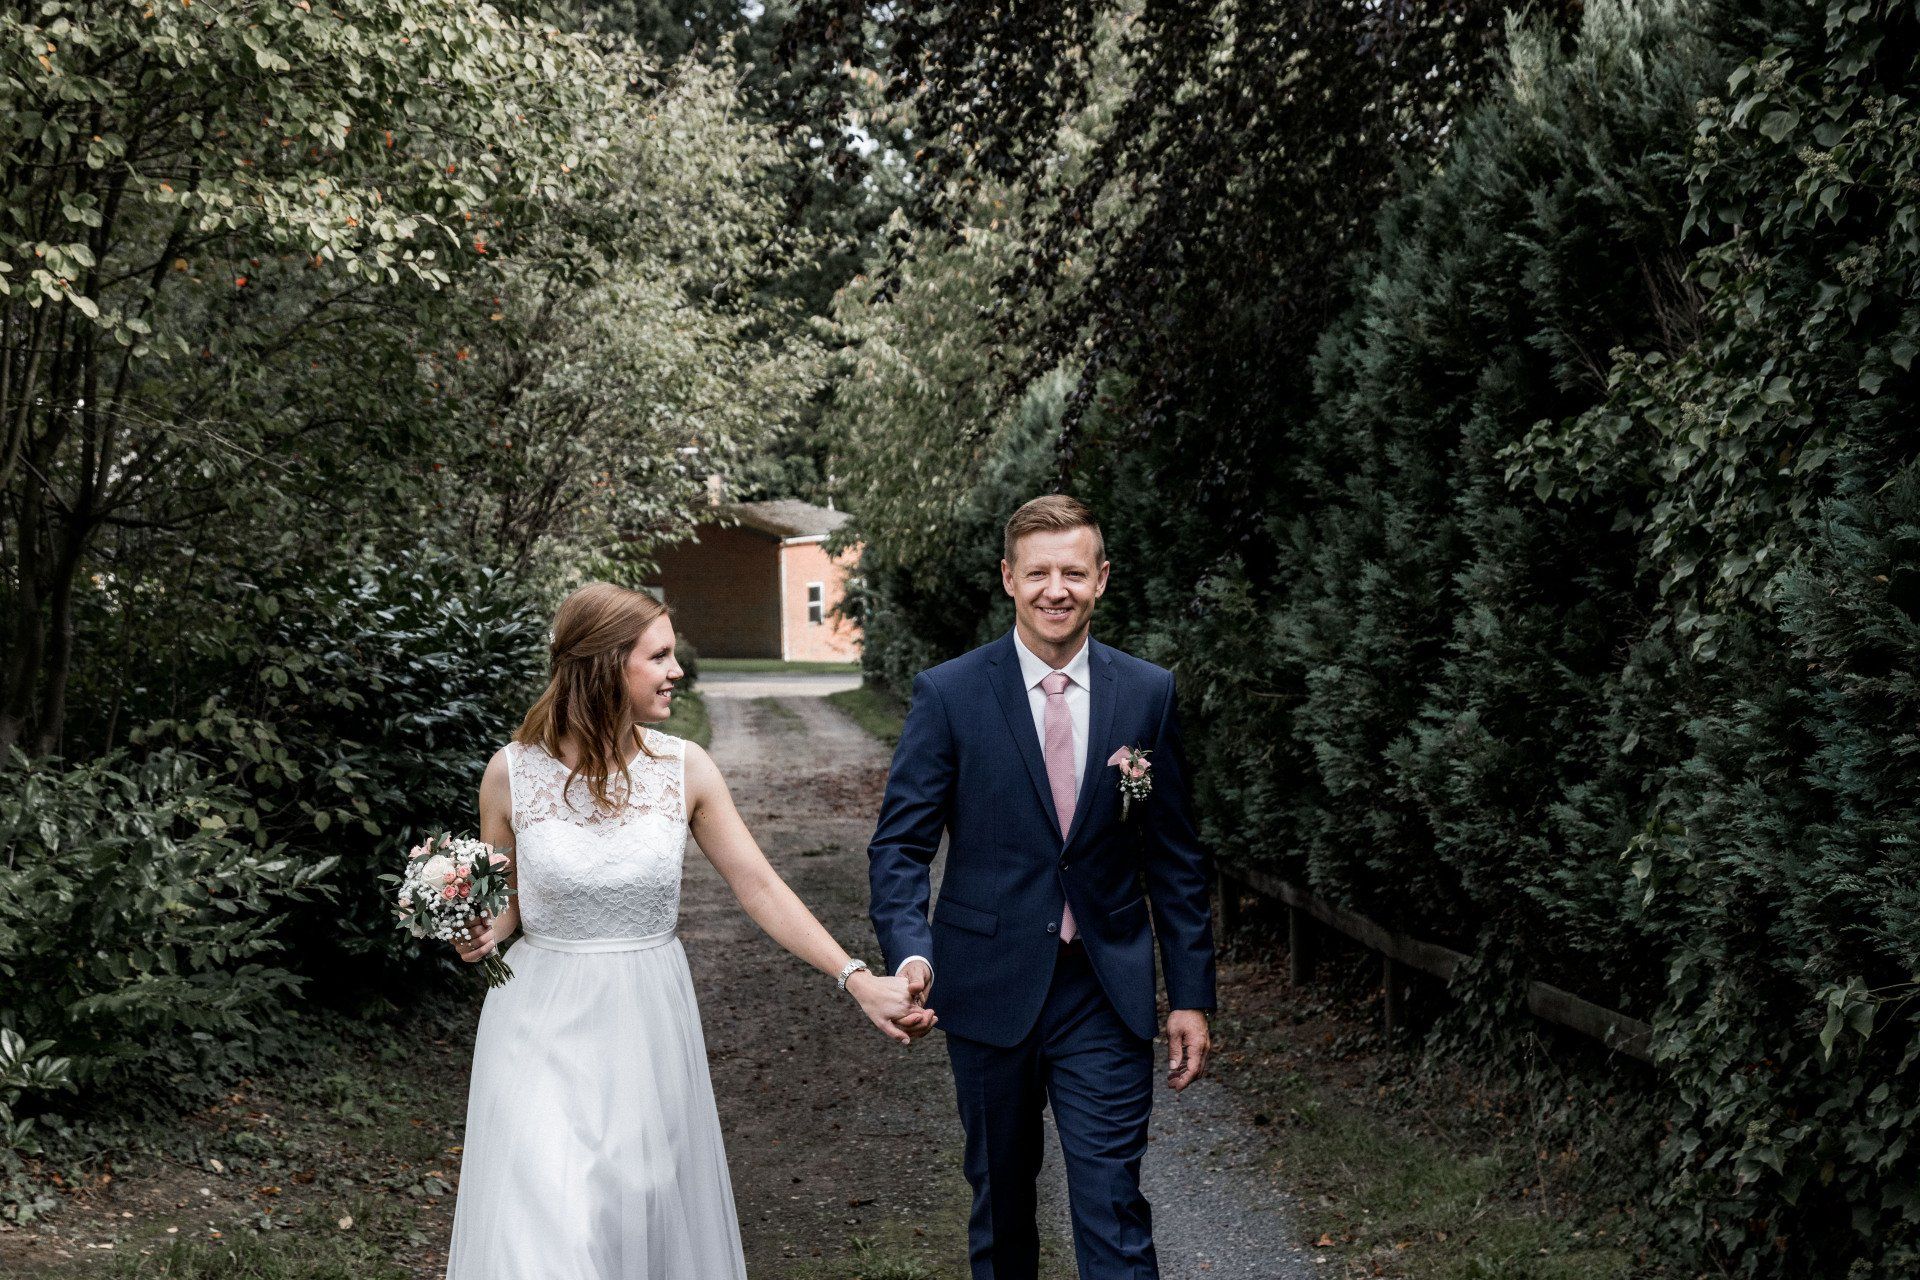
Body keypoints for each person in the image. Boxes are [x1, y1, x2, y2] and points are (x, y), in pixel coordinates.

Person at [442, 581, 930, 1278]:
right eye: (659, 656)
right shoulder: (510, 774)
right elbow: (510, 899)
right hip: (537, 1023)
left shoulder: (684, 769)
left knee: (630, 1218)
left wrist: (856, 980)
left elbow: (759, 886)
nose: (677, 671)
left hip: (644, 1024)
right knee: (550, 1229)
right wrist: (478, 931)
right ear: (604, 664)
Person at [867, 494, 1218, 1280]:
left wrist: (1191, 994)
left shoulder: (1147, 693)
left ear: (1101, 578)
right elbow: (900, 846)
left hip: (1104, 986)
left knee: (1113, 1206)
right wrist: (910, 952)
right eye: (1037, 573)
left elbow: (1175, 857)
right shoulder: (950, 694)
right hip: (988, 986)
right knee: (1003, 1209)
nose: (1055, 590)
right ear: (1008, 579)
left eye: (1073, 573)